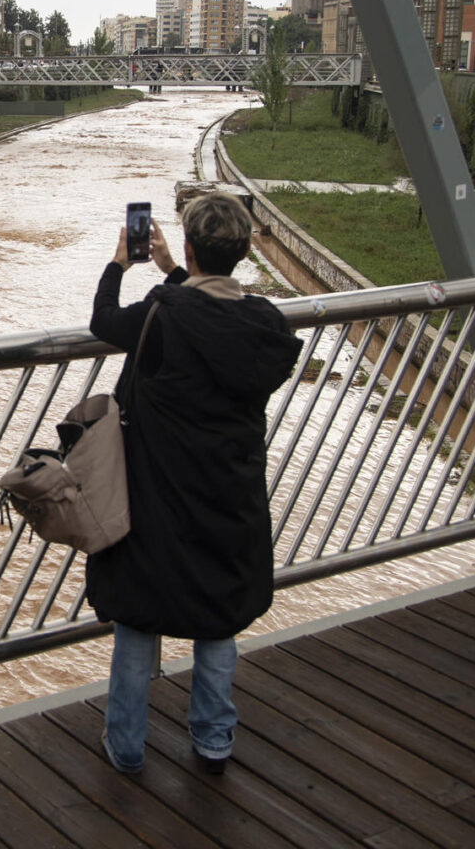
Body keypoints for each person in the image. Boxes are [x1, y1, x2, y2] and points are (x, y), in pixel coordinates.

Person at [88, 192, 301, 774]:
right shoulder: (264, 324)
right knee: (218, 614)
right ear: (244, 250)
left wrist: (119, 264)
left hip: (156, 495)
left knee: (139, 613)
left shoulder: (162, 314)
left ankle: (126, 748)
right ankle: (213, 741)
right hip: (229, 496)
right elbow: (214, 323)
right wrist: (175, 272)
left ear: (189, 246)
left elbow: (104, 321)